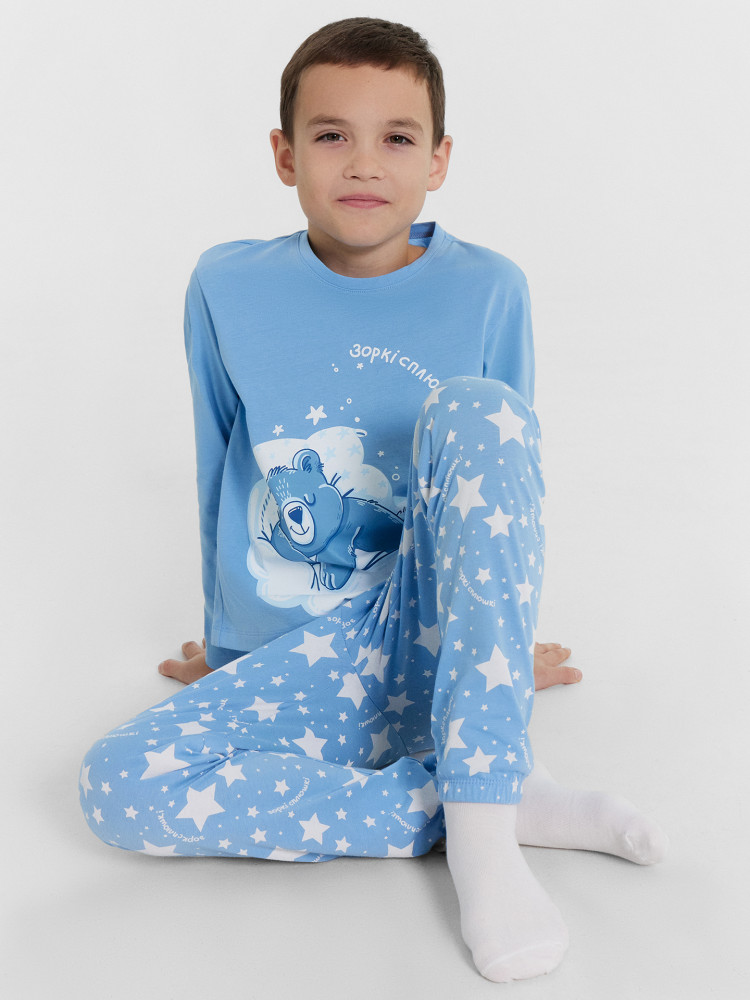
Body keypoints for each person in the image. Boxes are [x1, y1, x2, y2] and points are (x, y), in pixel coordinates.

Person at [79, 17, 668, 983]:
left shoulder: (490, 289)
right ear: (285, 155)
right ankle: (473, 803)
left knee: (483, 412)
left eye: (397, 137)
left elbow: (504, 486)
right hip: (310, 663)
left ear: (438, 160)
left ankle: (485, 835)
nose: (363, 162)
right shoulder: (225, 284)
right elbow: (217, 459)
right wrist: (227, 648)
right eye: (331, 134)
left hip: (437, 649)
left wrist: (501, 651)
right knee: (116, 785)